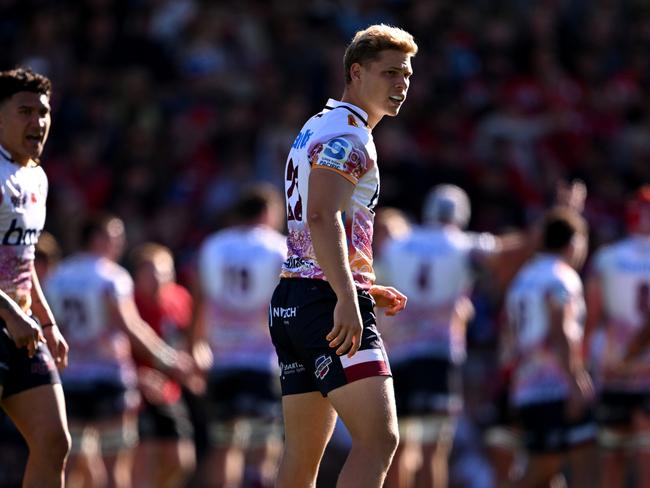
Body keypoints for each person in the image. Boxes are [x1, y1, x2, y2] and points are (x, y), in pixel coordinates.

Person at [268, 24, 415, 488]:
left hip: (294, 297)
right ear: (356, 72)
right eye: (389, 73)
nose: (401, 85)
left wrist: (362, 283)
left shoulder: (317, 123)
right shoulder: (349, 136)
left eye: (407, 75)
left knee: (302, 457)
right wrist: (349, 295)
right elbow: (321, 215)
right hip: (323, 303)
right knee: (379, 440)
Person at [377, 184, 514, 488]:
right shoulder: (461, 244)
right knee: (433, 450)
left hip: (397, 356)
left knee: (399, 449)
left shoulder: (397, 247)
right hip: (438, 356)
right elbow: (503, 253)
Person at [45, 213, 196, 488]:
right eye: (115, 236)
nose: (121, 243)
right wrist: (167, 358)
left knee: (74, 462)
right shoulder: (111, 276)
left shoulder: (58, 277)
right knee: (115, 465)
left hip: (72, 377)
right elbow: (130, 326)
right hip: (109, 378)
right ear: (98, 238)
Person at [0, 66, 71, 487]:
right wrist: (10, 313)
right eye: (24, 111)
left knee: (53, 441)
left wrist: (46, 319)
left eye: (43, 112)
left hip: (21, 329)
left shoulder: (36, 178)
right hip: (10, 321)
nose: (37, 122)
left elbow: (22, 262)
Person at [191, 184, 287, 488]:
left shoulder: (214, 245)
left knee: (223, 445)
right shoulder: (278, 247)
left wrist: (195, 345)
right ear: (268, 212)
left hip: (222, 358)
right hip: (263, 359)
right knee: (264, 443)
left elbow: (200, 299)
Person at [506, 207, 596, 488]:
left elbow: (508, 339)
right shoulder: (561, 277)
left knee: (549, 477)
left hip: (526, 386)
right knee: (578, 464)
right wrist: (576, 380)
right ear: (573, 243)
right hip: (554, 386)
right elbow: (562, 331)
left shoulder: (522, 278)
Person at [584, 185, 650, 487]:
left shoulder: (607, 258)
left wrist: (584, 364)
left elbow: (591, 317)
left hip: (613, 367)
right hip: (644, 368)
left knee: (612, 459)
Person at [130, 243, 197, 488]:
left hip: (169, 388)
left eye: (164, 272)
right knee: (142, 462)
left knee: (181, 460)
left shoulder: (180, 299)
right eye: (150, 273)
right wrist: (137, 376)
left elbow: (185, 339)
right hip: (136, 388)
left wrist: (191, 364)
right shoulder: (128, 303)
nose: (158, 279)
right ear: (137, 275)